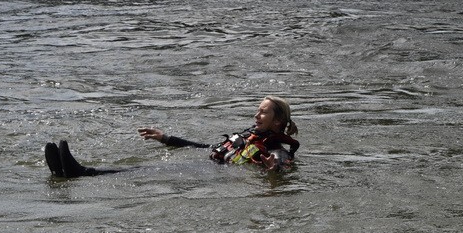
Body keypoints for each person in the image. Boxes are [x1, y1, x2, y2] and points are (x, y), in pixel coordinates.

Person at [44, 96, 299, 178]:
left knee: (145, 172)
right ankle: (66, 171)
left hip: (213, 178)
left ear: (276, 121)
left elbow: (280, 166)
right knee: (146, 170)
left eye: (262, 113)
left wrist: (273, 171)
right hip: (207, 167)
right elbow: (206, 147)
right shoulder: (248, 135)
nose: (256, 116)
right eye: (257, 111)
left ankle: (80, 172)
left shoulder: (276, 148)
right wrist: (166, 138)